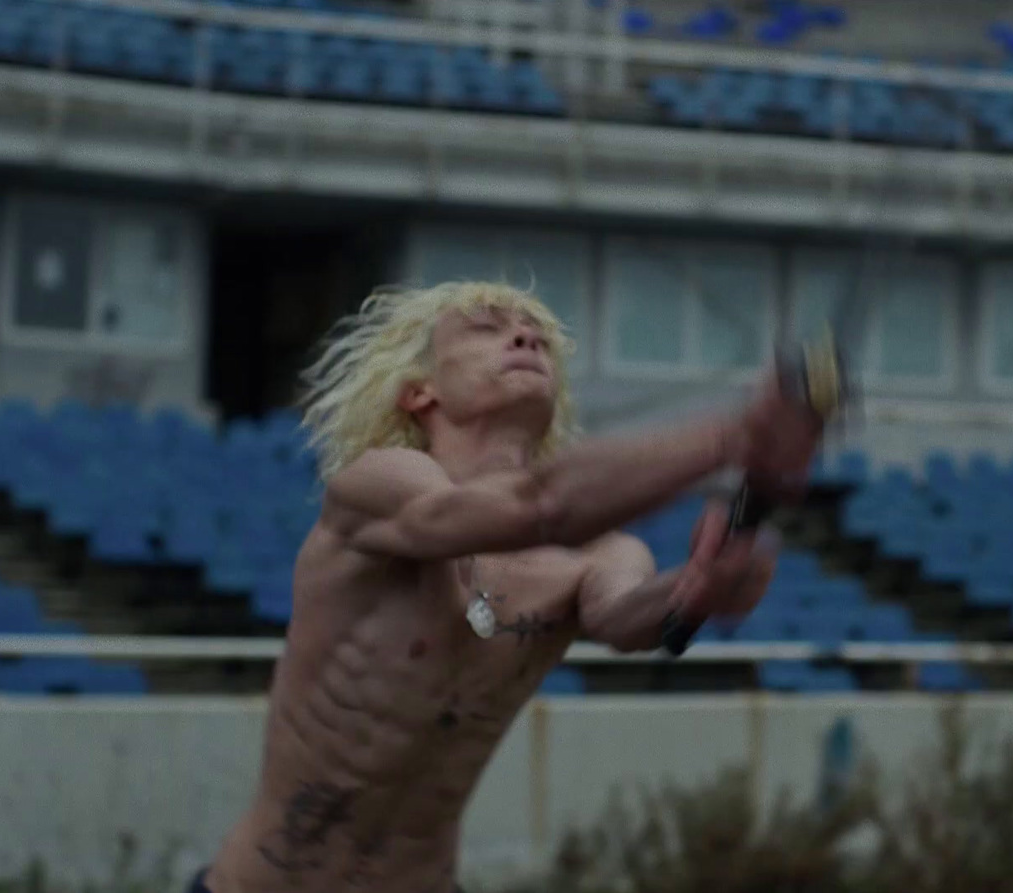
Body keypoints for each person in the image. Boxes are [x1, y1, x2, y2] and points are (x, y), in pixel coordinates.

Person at [196, 281, 825, 893]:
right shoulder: (378, 486)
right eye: (485, 327)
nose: (525, 335)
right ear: (419, 391)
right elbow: (537, 507)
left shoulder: (595, 555)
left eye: (537, 337)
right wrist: (736, 438)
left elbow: (632, 620)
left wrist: (703, 586)